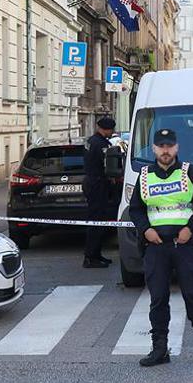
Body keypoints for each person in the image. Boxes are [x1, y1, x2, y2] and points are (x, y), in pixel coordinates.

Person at [126, 128, 193, 368]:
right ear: (154, 149)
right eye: (161, 146)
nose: (166, 151)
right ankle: (159, 349)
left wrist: (190, 228)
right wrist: (145, 229)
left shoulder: (189, 172)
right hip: (155, 246)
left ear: (177, 148)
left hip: (183, 246)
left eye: (170, 146)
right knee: (158, 299)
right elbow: (136, 208)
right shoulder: (145, 174)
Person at [82, 115, 118, 269]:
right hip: (98, 184)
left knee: (96, 221)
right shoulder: (102, 144)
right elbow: (108, 164)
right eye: (111, 130)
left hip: (91, 182)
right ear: (107, 129)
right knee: (97, 222)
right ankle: (91, 257)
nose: (112, 132)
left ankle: (96, 254)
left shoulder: (90, 141)